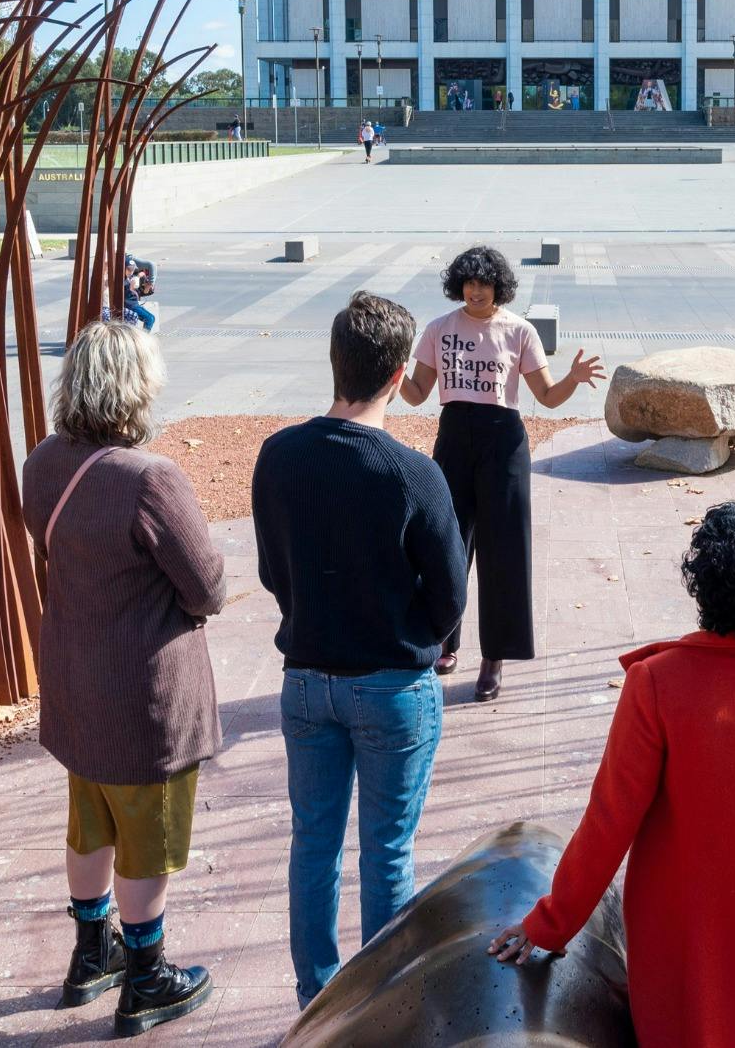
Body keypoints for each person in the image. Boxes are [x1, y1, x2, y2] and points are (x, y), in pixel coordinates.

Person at [490, 501, 735, 1047]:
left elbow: (608, 824)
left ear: (703, 587)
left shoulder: (658, 684)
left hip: (691, 930)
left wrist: (550, 922)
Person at [253, 292, 470, 1009]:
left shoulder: (278, 455)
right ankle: (382, 1004)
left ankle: (316, 997)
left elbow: (271, 569)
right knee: (385, 852)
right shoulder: (412, 473)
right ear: (401, 371)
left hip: (306, 677)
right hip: (390, 682)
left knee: (312, 845)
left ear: (334, 360)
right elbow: (448, 596)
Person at [22, 320, 225, 1036]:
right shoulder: (149, 477)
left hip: (76, 678)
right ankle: (146, 977)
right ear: (136, 389)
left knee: (91, 823)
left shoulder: (44, 461)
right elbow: (205, 585)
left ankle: (90, 956)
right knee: (150, 836)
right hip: (144, 693)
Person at [401, 246, 603, 702]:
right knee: (446, 543)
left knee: (505, 551)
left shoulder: (519, 331)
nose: (476, 290)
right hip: (453, 437)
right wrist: (390, 373)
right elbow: (416, 394)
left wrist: (572, 377)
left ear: (499, 287)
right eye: (469, 283)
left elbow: (547, 397)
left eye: (484, 283)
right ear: (459, 285)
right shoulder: (439, 329)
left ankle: (495, 656)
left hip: (504, 443)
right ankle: (443, 641)